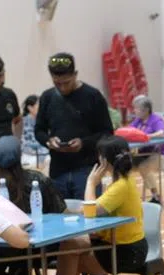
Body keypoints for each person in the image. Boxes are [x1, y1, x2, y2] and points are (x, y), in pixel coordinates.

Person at [57, 135, 146, 275]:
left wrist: (91, 183)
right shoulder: (122, 181)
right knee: (70, 246)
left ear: (104, 160)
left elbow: (88, 212)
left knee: (70, 255)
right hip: (124, 247)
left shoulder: (120, 187)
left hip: (125, 253)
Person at [33, 52, 114, 200]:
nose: (62, 88)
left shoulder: (92, 96)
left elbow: (107, 132)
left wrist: (84, 143)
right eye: (57, 83)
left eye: (67, 82)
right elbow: (39, 130)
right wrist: (49, 141)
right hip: (58, 170)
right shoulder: (47, 97)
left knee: (89, 216)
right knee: (60, 217)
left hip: (87, 169)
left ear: (75, 75)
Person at [129, 94, 164, 203]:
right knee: (123, 165)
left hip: (158, 155)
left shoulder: (156, 120)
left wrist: (147, 136)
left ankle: (156, 196)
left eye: (136, 108)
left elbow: (161, 133)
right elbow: (130, 130)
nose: (134, 111)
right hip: (141, 153)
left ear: (145, 110)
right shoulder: (138, 120)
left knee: (143, 167)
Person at [20, 94, 49, 166]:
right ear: (30, 108)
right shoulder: (24, 122)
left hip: (43, 153)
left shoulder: (43, 120)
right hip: (29, 154)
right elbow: (28, 143)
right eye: (39, 106)